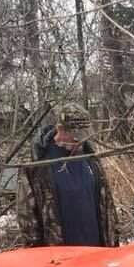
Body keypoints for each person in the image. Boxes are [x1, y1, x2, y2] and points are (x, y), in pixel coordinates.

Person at [17, 104, 119, 247]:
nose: (80, 141)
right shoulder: (36, 162)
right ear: (60, 129)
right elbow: (26, 215)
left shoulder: (90, 156)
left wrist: (113, 243)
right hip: (59, 253)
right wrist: (35, 251)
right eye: (75, 136)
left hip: (96, 250)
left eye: (83, 135)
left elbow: (107, 205)